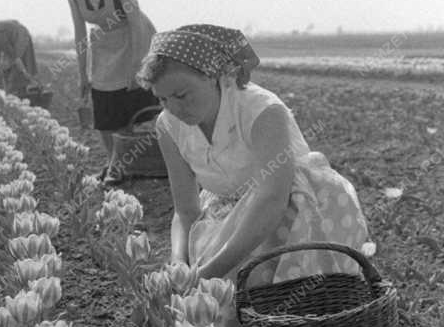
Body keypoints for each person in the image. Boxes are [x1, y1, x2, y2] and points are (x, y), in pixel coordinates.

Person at [138, 24, 371, 286]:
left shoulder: (261, 111)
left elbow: (271, 200)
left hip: (295, 210)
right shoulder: (168, 125)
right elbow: (185, 210)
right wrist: (178, 262)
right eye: (163, 99)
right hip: (228, 211)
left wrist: (210, 272)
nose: (175, 108)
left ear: (213, 76)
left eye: (181, 95)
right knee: (212, 296)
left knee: (271, 290)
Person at [62, 0, 157, 185]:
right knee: (104, 102)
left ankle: (129, 162)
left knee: (134, 100)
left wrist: (138, 63)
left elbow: (135, 21)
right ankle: (113, 161)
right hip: (104, 43)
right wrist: (83, 74)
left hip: (133, 37)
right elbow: (80, 33)